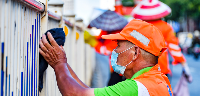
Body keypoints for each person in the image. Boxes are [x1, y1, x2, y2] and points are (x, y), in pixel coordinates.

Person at [39, 19, 173, 96]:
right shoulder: (159, 80)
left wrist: (59, 63)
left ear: (135, 53)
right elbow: (85, 91)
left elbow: (75, 94)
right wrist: (62, 61)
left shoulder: (136, 87)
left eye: (119, 45)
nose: (115, 51)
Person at [132, 0, 192, 81]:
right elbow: (174, 48)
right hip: (161, 67)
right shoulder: (166, 27)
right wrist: (184, 64)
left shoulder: (138, 27)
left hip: (140, 69)